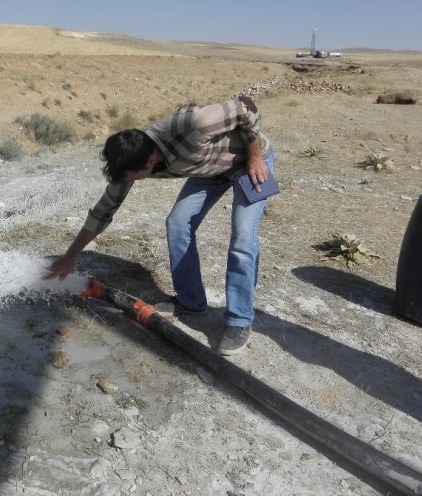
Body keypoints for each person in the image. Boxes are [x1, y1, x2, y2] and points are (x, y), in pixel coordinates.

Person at [46, 95, 274, 356]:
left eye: (135, 177)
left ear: (150, 161)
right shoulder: (132, 157)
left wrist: (255, 156)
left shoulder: (192, 125)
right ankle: (191, 301)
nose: (131, 182)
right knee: (177, 223)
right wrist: (70, 256)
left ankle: (239, 321)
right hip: (210, 171)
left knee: (243, 236)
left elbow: (247, 107)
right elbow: (104, 210)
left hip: (250, 164)